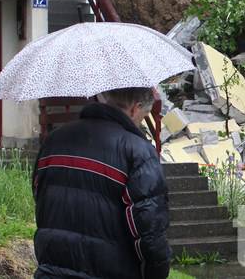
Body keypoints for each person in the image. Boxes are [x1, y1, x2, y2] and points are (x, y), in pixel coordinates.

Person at [32, 87, 171, 278]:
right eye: (143, 115)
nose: (140, 123)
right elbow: (149, 231)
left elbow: (39, 196)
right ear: (134, 108)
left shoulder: (54, 141)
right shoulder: (137, 151)